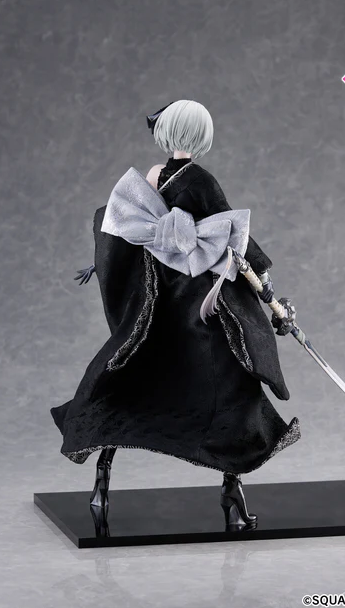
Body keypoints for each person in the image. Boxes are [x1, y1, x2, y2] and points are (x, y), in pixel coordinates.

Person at [51, 99, 301, 530]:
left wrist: (102, 262)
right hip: (195, 305)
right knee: (232, 386)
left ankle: (103, 479)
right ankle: (231, 490)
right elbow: (235, 238)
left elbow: (126, 225)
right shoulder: (201, 180)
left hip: (157, 305)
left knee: (135, 375)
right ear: (201, 136)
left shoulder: (153, 176)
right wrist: (266, 285)